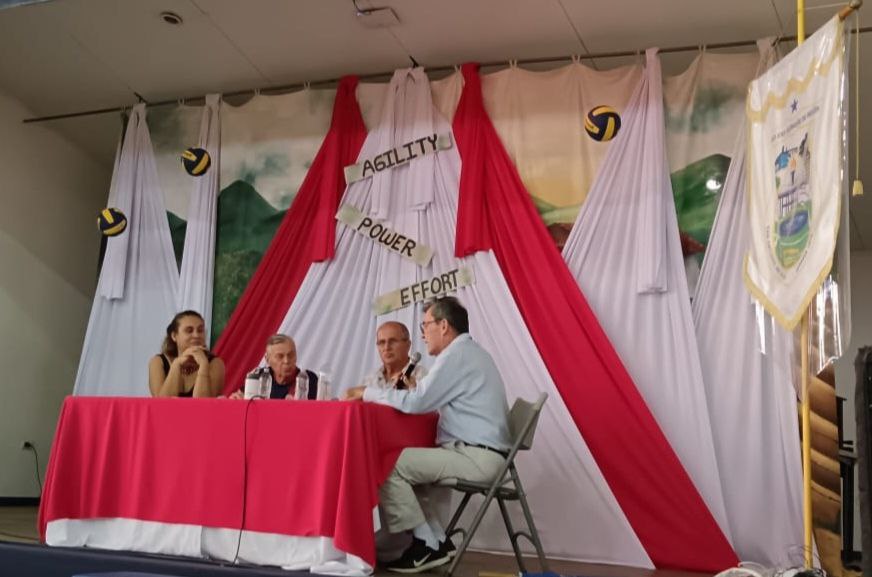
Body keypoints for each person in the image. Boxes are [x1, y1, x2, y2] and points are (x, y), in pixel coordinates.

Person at [344, 297, 511, 573]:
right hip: (480, 453)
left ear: (443, 325)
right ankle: (435, 541)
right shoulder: (470, 352)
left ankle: (426, 542)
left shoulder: (456, 355)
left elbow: (417, 402)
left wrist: (366, 392)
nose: (423, 334)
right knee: (405, 463)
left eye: (425, 326)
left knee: (387, 465)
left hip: (478, 457)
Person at [148, 310, 224, 398]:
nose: (196, 335)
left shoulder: (216, 363)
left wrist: (203, 365)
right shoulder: (158, 362)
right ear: (174, 336)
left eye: (200, 330)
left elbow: (204, 406)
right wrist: (176, 364)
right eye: (189, 331)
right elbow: (161, 404)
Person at [229, 334, 319, 400]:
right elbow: (239, 397)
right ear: (267, 359)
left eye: (291, 355)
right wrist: (236, 400)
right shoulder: (259, 377)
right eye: (280, 356)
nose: (286, 361)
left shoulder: (308, 379)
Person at [358, 321, 427, 391]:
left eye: (393, 341)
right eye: (381, 342)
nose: (386, 347)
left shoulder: (422, 377)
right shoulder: (369, 380)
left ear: (408, 345)